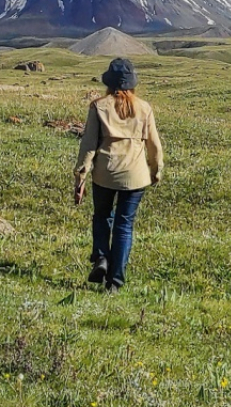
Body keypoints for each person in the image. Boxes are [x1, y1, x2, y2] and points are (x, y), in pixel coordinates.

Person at [73, 58, 163, 292]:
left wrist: (81, 175)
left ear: (109, 84)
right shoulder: (144, 108)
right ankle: (115, 281)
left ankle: (101, 257)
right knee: (124, 225)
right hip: (136, 175)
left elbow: (89, 145)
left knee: (102, 216)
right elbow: (154, 145)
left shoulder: (98, 106)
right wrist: (156, 170)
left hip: (105, 172)